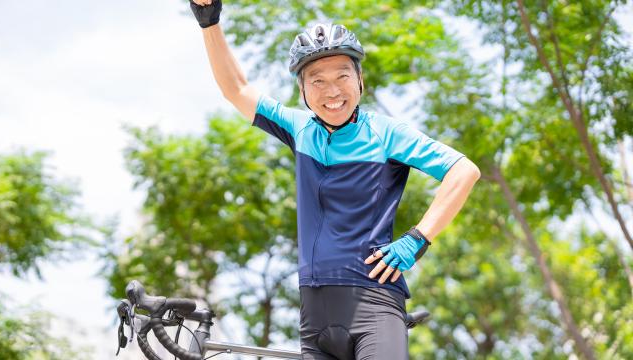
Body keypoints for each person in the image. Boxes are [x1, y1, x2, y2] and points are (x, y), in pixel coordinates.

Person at [189, 1, 480, 359]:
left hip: (373, 305)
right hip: (313, 316)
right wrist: (209, 21)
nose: (332, 91)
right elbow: (235, 88)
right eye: (318, 81)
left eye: (342, 76)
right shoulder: (299, 129)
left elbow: (464, 170)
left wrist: (417, 240)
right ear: (302, 90)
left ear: (360, 80)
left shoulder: (385, 133)